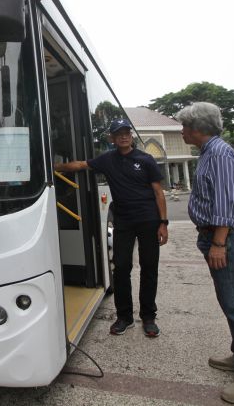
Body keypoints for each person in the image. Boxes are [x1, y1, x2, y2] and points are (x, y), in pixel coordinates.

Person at [174, 102, 234, 404]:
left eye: (185, 126)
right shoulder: (209, 152)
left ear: (198, 127)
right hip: (217, 236)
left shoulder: (220, 153)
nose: (183, 131)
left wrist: (218, 243)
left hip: (226, 239)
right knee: (230, 302)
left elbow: (225, 204)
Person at [54, 118, 168, 337]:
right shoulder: (107, 159)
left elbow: (158, 192)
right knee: (122, 268)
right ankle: (124, 317)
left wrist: (163, 223)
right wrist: (53, 168)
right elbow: (80, 165)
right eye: (119, 134)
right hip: (123, 221)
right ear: (112, 138)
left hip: (148, 220)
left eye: (126, 132)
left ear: (131, 136)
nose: (124, 136)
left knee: (149, 268)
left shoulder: (145, 160)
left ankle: (148, 317)